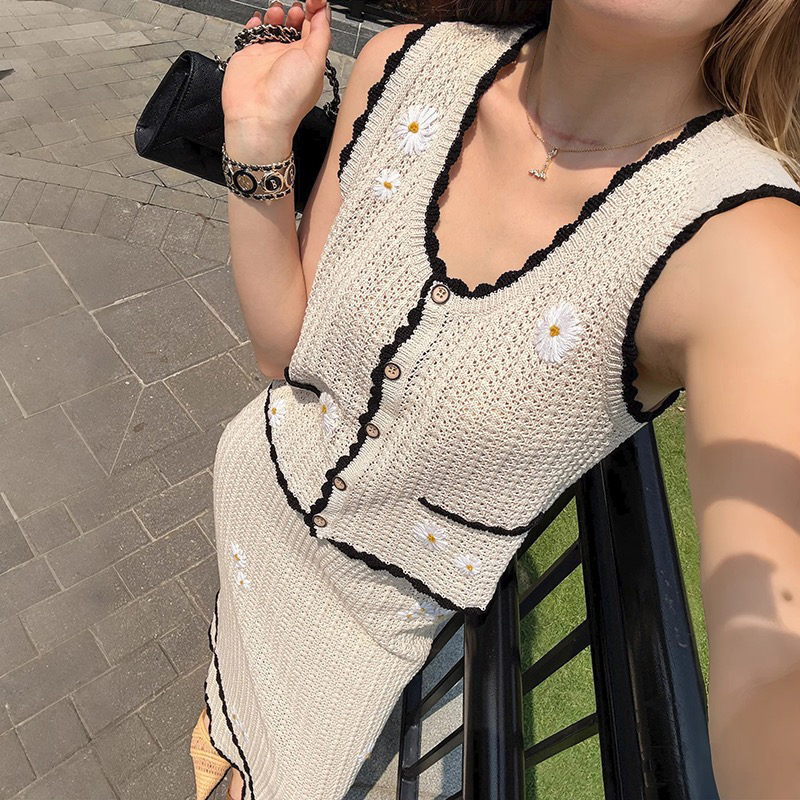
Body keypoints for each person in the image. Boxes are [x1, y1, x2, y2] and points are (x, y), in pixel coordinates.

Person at [188, 0, 800, 797]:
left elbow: (772, 661)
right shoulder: (404, 63)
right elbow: (284, 350)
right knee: (223, 733)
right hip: (247, 537)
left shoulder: (746, 242)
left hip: (359, 670)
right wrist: (257, 133)